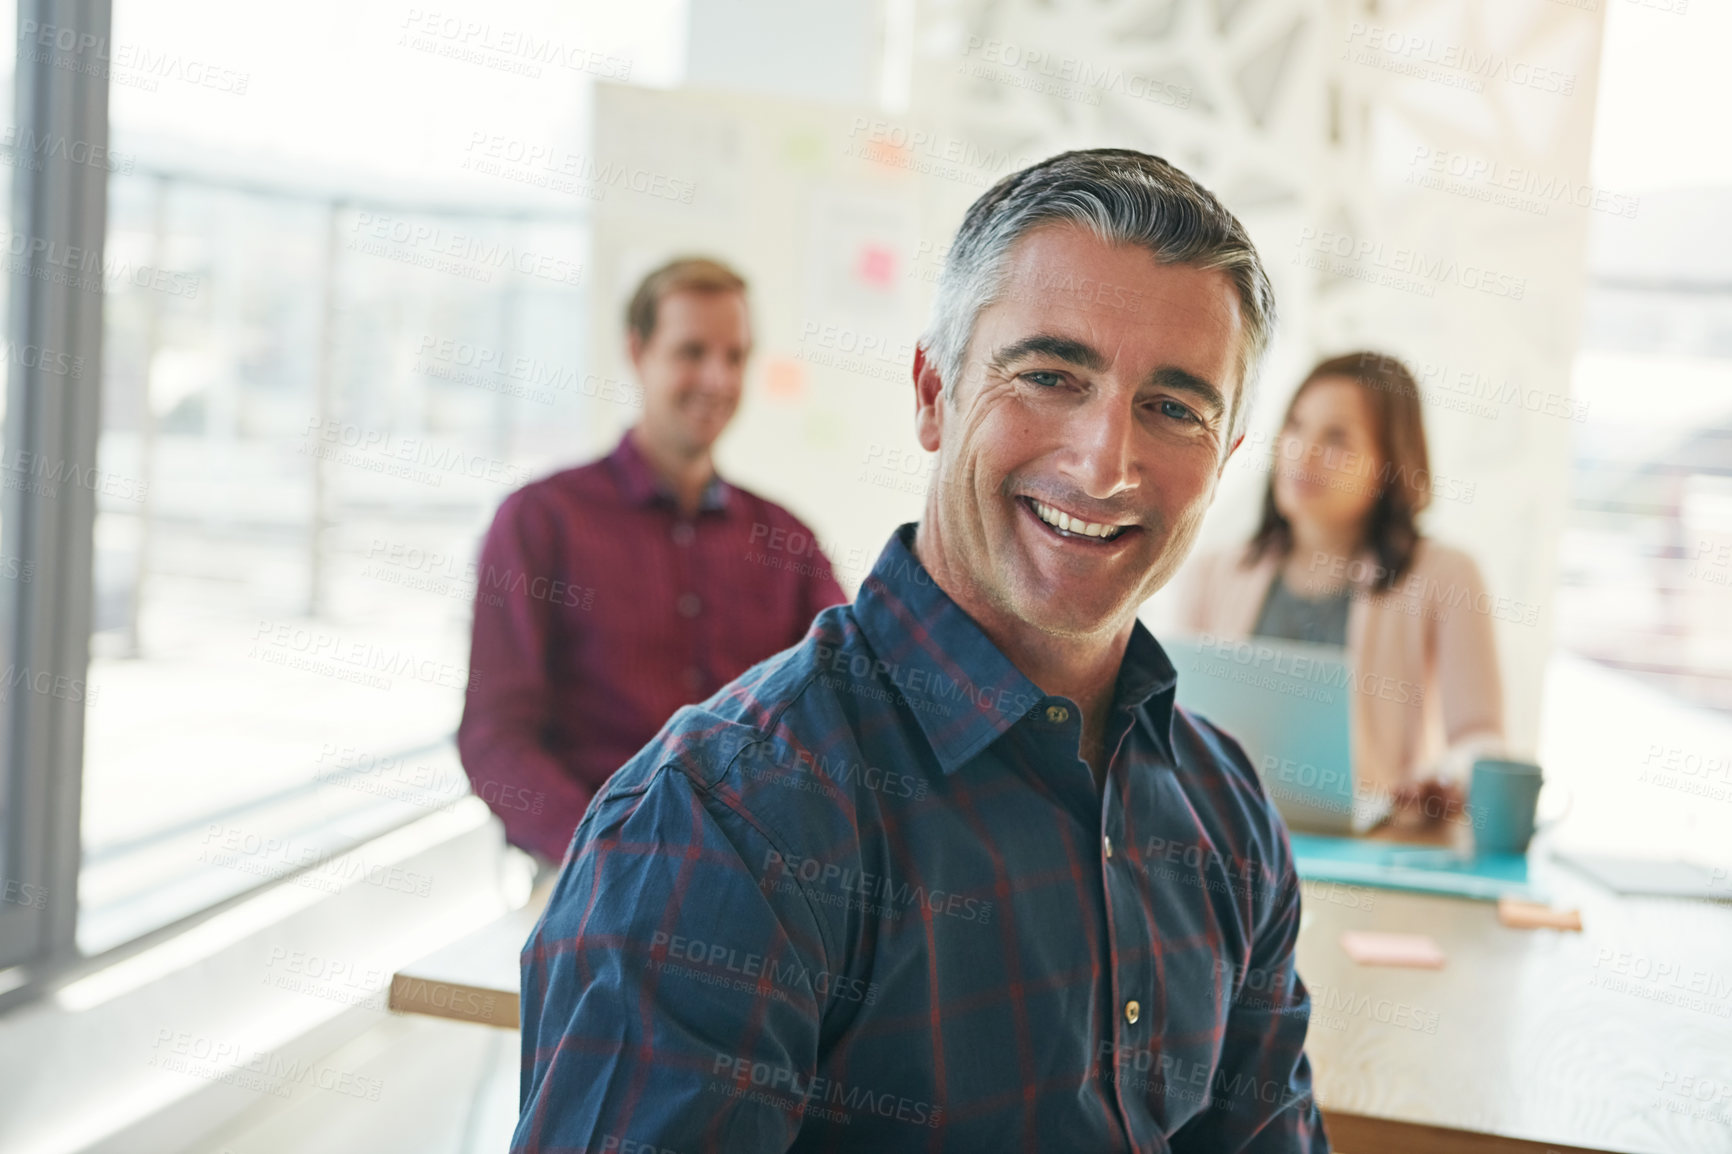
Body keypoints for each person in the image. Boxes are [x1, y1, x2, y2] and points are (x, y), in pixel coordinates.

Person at [514, 151, 1328, 1152]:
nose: (1104, 462)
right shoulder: (722, 821)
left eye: (1173, 406)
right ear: (933, 392)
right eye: (1048, 375)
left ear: (1226, 456)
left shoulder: (1227, 814)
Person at [458, 257, 847, 863]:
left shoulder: (787, 540)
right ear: (637, 352)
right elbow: (495, 735)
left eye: (735, 356)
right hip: (581, 871)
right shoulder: (541, 522)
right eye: (691, 352)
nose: (716, 378)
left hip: (754, 876)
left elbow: (844, 710)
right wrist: (601, 852)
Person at [1177, 351, 1506, 819]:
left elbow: (1481, 737)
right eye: (1295, 425)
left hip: (1374, 851)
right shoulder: (1211, 571)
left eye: (1337, 438)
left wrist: (1449, 777)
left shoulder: (1446, 575)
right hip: (1221, 836)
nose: (1302, 452)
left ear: (1390, 462)